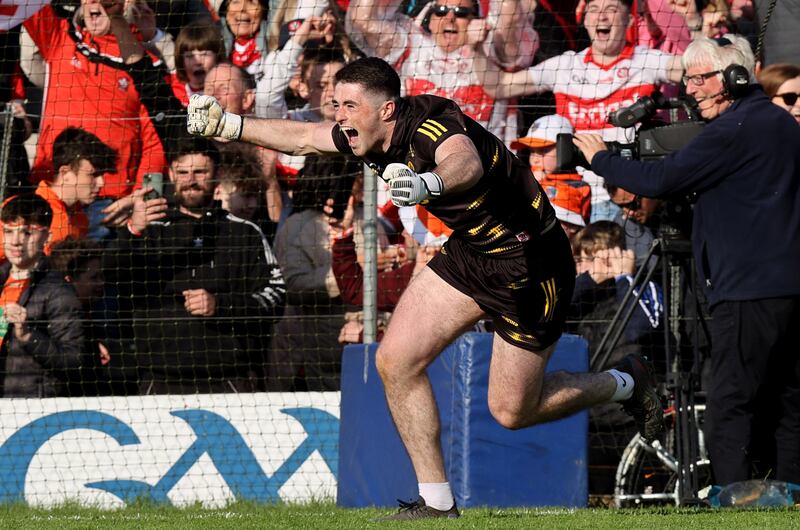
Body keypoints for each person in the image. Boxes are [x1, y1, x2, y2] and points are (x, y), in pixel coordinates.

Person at [186, 56, 665, 518]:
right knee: (395, 360)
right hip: (472, 254)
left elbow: (465, 164)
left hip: (529, 265)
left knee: (512, 411)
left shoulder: (433, 123)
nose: (339, 116)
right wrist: (231, 125)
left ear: (386, 109)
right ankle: (436, 502)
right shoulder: (364, 134)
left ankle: (625, 383)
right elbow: (307, 138)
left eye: (349, 106)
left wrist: (425, 186)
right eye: (336, 104)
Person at [573, 35, 800, 486]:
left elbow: (660, 178)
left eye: (699, 79)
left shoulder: (733, 129)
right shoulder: (783, 125)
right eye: (688, 79)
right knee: (789, 401)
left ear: (734, 78)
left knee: (728, 403)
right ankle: (791, 494)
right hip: (789, 287)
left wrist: (599, 157)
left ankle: (736, 499)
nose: (691, 89)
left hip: (747, 290)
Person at [474, 0, 689, 222]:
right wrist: (476, 50)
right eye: (593, 10)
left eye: (612, 10)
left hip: (623, 197)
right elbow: (498, 86)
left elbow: (693, 67)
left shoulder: (646, 61)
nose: (601, 17)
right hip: (569, 197)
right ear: (585, 20)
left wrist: (693, 24)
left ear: (630, 21)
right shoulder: (565, 66)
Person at [104, 136, 286, 394]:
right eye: (182, 172)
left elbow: (276, 298)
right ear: (170, 174)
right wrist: (132, 230)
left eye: (200, 172)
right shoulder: (149, 229)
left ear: (217, 174)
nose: (190, 180)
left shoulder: (244, 233)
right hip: (159, 382)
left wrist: (220, 306)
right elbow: (109, 276)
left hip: (229, 382)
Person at [23, 0, 167, 239]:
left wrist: (137, 197)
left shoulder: (144, 65)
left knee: (98, 275)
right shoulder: (61, 38)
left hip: (110, 207)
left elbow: (156, 142)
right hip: (51, 195)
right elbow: (27, 6)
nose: (95, 2)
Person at [346, 0, 538, 145]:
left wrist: (477, 46)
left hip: (484, 173)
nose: (450, 18)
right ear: (430, 20)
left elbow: (510, 15)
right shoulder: (411, 45)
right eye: (441, 11)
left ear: (476, 20)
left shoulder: (492, 47)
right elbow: (363, 18)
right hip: (415, 173)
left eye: (461, 12)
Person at [0, 194, 86, 398]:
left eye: (27, 233)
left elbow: (74, 360)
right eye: (8, 231)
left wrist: (28, 336)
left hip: (30, 406)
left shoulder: (57, 291)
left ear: (46, 236)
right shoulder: (2, 279)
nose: (16, 241)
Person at [0, 127, 117, 262]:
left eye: (102, 175)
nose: (101, 183)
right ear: (65, 173)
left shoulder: (80, 218)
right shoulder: (21, 210)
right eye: (93, 175)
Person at [171, 19, 227, 106]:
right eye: (190, 56)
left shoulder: (228, 92)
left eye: (204, 54)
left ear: (217, 57)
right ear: (181, 61)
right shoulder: (173, 91)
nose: (197, 62)